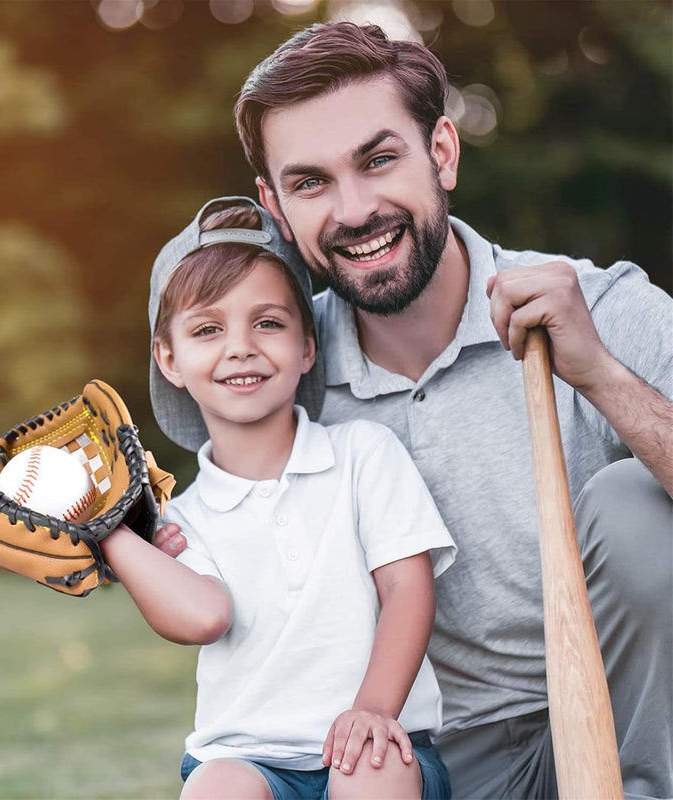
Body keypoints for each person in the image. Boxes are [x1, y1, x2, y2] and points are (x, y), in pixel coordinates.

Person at [155, 22, 673, 800]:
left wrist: (598, 373)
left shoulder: (597, 308)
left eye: (378, 159)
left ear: (442, 152)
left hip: (621, 729)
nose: (355, 209)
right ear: (275, 204)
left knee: (634, 501)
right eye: (310, 183)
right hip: (423, 761)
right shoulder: (279, 366)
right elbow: (203, 504)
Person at [105, 196, 457, 800]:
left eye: (267, 322)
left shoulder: (363, 455)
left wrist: (373, 709)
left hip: (375, 743)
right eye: (208, 329)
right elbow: (203, 617)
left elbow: (406, 588)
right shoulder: (180, 518)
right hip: (249, 759)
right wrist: (110, 533)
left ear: (307, 346)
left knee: (370, 774)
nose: (240, 347)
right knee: (217, 790)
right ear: (170, 359)